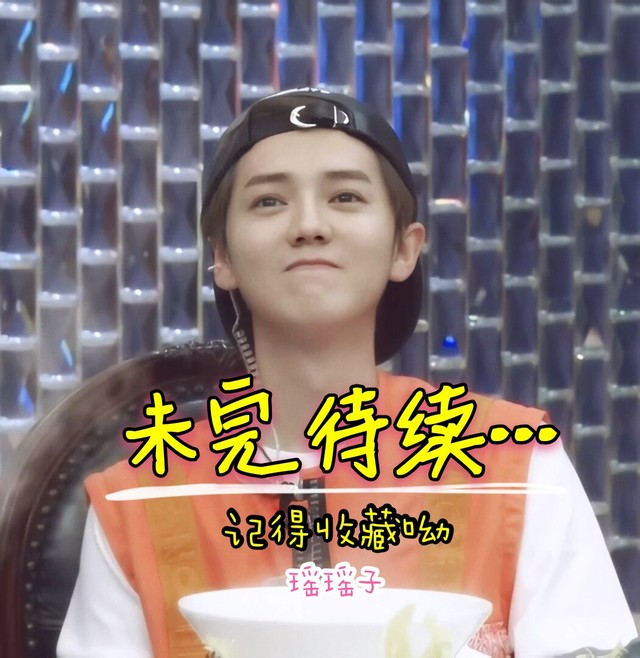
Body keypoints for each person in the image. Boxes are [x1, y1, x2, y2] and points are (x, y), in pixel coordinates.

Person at [57, 89, 637, 658]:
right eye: (269, 201)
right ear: (223, 257)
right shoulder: (138, 502)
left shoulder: (515, 465)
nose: (309, 225)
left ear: (404, 249)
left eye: (345, 197)